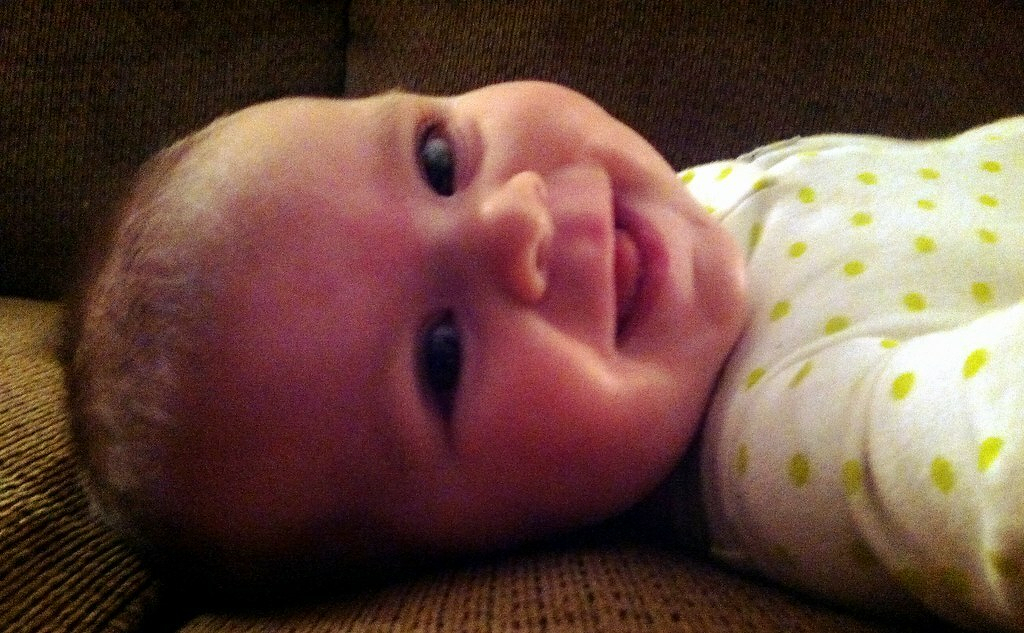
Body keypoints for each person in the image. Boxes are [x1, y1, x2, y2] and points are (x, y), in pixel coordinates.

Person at [64, 81, 1022, 629]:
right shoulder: (796, 438)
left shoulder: (684, 208)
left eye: (439, 159)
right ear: (483, 547)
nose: (511, 220)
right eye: (442, 356)